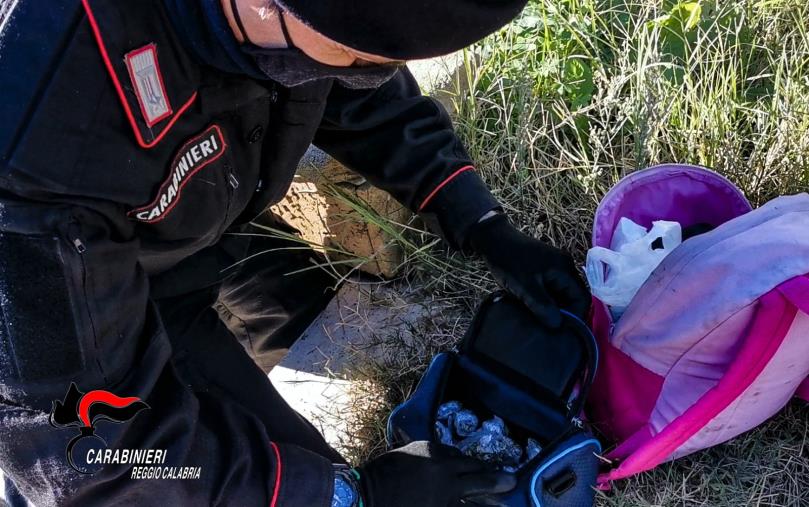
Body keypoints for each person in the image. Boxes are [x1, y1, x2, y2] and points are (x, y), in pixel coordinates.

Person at [0, 0, 591, 505]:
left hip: (195, 229)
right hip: (76, 332)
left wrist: (480, 220)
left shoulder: (303, 27)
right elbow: (93, 462)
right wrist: (350, 495)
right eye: (360, 56)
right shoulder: (39, 149)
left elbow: (358, 91)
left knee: (302, 312)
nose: (374, 71)